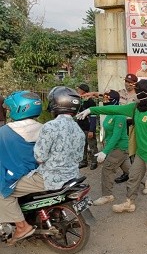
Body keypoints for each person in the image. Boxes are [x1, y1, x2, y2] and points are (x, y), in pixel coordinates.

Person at [77, 79, 147, 227]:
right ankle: (129, 203)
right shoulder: (136, 108)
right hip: (141, 153)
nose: (135, 94)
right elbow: (113, 110)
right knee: (133, 177)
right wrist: (91, 110)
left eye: (137, 92)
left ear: (144, 94)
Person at [0, 87, 85, 243]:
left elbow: (39, 157)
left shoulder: (49, 127)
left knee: (4, 191)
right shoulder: (78, 130)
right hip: (72, 176)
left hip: (48, 178)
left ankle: (21, 226)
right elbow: (80, 157)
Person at [92, 90, 131, 206]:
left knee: (107, 169)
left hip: (119, 147)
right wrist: (104, 141)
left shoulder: (119, 114)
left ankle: (107, 195)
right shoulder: (110, 112)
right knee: (131, 171)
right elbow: (109, 132)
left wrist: (105, 151)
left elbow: (116, 135)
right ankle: (146, 183)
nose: (104, 101)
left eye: (107, 99)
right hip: (114, 146)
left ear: (113, 100)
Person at [76, 83, 98, 170]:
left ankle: (94, 161)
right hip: (81, 127)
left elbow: (93, 117)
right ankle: (83, 161)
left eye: (79, 89)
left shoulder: (90, 102)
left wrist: (91, 130)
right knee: (82, 145)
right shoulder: (80, 101)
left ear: (83, 91)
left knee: (92, 145)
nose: (78, 91)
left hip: (88, 127)